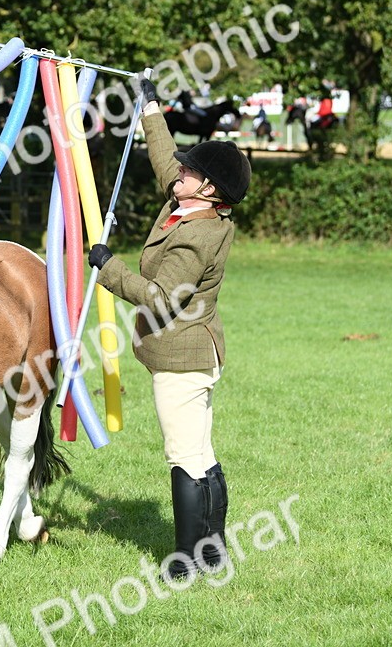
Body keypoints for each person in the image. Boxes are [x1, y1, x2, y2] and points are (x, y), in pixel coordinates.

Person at [88, 76, 250, 581]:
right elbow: (164, 161)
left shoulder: (197, 235)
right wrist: (150, 107)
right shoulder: (191, 205)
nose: (178, 171)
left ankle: (185, 563)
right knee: (201, 452)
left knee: (184, 457)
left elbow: (160, 297)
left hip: (183, 356)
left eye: (190, 170)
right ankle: (212, 552)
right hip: (195, 351)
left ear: (208, 187)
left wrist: (108, 267)